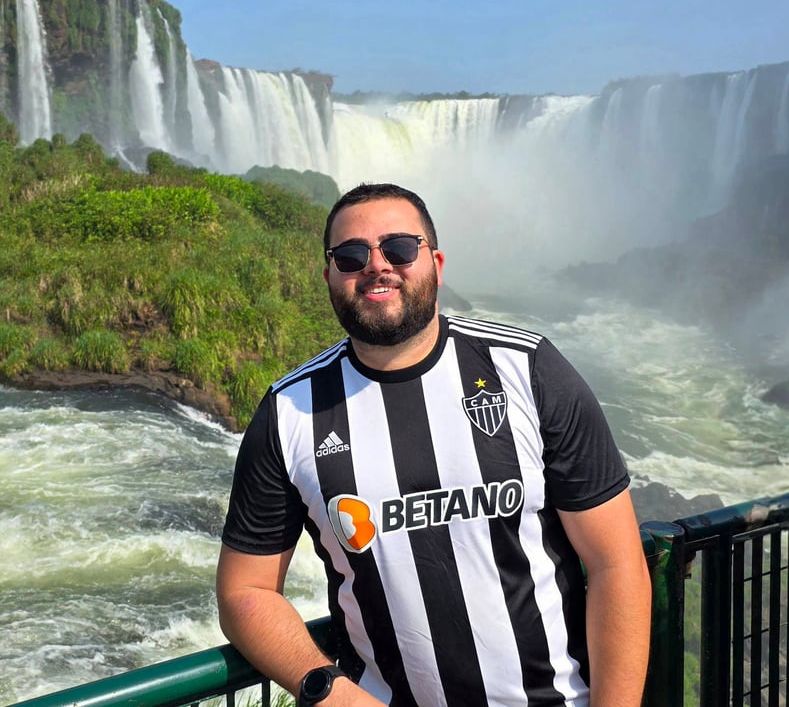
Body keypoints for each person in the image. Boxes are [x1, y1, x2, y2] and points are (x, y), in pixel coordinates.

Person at [216, 182, 652, 707]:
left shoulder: (528, 370)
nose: (377, 266)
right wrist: (330, 691)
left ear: (436, 264)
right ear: (329, 275)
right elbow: (245, 591)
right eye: (351, 256)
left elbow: (616, 564)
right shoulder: (289, 412)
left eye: (399, 248)